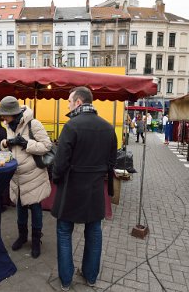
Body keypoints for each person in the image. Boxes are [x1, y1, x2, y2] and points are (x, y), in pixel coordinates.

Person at [51, 86, 117, 290]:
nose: (68, 105)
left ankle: (66, 280)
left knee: (64, 231)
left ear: (78, 102)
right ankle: (90, 277)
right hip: (95, 189)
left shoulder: (71, 126)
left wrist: (56, 178)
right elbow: (111, 161)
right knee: (94, 231)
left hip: (71, 188)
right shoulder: (108, 127)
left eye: (70, 101)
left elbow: (60, 162)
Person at [0, 96, 52, 259]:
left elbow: (47, 146)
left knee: (35, 209)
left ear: (13, 113)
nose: (3, 118)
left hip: (33, 175)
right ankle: (22, 236)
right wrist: (5, 144)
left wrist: (26, 143)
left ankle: (36, 240)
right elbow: (7, 148)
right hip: (17, 176)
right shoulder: (8, 125)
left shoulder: (33, 124)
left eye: (5, 115)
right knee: (20, 208)